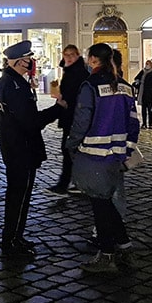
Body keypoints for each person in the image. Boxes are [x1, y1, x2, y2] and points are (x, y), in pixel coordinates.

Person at [68, 43, 140, 274]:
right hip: (116, 154)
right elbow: (133, 122)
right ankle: (124, 246)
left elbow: (82, 120)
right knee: (106, 202)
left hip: (93, 153)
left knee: (100, 204)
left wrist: (71, 144)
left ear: (92, 60)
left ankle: (107, 253)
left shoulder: (91, 86)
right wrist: (127, 149)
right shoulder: (125, 87)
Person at [0, 40, 57, 258]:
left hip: (14, 148)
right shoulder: (15, 85)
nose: (31, 62)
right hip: (21, 148)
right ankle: (11, 241)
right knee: (19, 197)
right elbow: (30, 121)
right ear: (19, 61)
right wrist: (58, 109)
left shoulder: (6, 82)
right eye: (28, 58)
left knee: (17, 195)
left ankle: (14, 237)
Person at [48, 45, 91, 195]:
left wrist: (65, 100)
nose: (69, 57)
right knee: (70, 149)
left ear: (78, 55)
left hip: (74, 116)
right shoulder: (70, 70)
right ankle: (75, 183)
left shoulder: (77, 72)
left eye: (72, 54)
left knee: (69, 149)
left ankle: (66, 183)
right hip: (70, 115)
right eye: (66, 55)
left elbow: (77, 94)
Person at [133, 60, 152, 129]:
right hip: (142, 91)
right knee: (143, 108)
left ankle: (150, 124)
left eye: (148, 64)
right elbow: (137, 77)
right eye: (146, 64)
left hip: (150, 92)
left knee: (150, 109)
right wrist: (138, 81)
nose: (147, 65)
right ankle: (144, 123)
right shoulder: (143, 71)